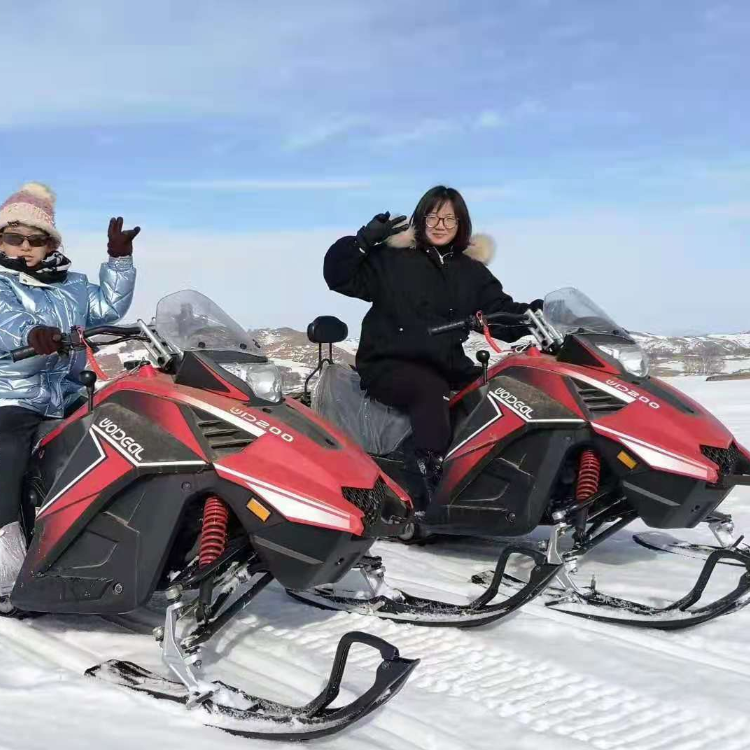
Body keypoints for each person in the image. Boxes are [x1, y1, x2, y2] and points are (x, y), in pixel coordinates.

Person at [324, 185, 542, 510]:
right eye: (434, 216)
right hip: (389, 362)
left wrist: (534, 315)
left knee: (498, 392)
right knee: (430, 389)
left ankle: (492, 480)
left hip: (446, 363)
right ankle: (430, 484)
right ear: (421, 218)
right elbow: (338, 276)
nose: (441, 225)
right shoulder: (393, 259)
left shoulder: (471, 272)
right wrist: (362, 242)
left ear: (461, 225)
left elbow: (499, 311)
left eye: (450, 219)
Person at [0, 182, 139, 605]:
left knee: (124, 429)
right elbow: (4, 319)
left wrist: (119, 260)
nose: (24, 247)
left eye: (35, 240)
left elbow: (108, 310)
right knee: (6, 449)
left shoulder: (73, 284)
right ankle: (4, 555)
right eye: (13, 237)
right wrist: (32, 333)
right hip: (12, 392)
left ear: (50, 244)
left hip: (67, 389)